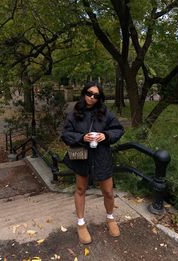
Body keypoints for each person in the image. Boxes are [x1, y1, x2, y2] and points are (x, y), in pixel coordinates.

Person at [61, 81, 124, 244]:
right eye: (89, 93)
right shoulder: (74, 114)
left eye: (96, 95)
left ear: (100, 97)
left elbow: (118, 129)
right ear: (84, 93)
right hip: (82, 156)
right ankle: (81, 223)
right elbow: (66, 134)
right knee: (81, 189)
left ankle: (110, 218)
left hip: (101, 155)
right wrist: (81, 137)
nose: (91, 97)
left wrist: (106, 135)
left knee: (108, 191)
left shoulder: (105, 113)